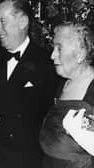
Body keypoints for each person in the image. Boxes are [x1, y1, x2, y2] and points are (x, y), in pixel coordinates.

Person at [0, 0, 58, 168]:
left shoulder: (47, 63)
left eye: (2, 21)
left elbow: (50, 117)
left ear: (22, 22)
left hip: (25, 159)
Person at [39, 22, 94, 168]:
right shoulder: (63, 83)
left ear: (80, 55)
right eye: (53, 48)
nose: (52, 55)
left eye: (59, 48)